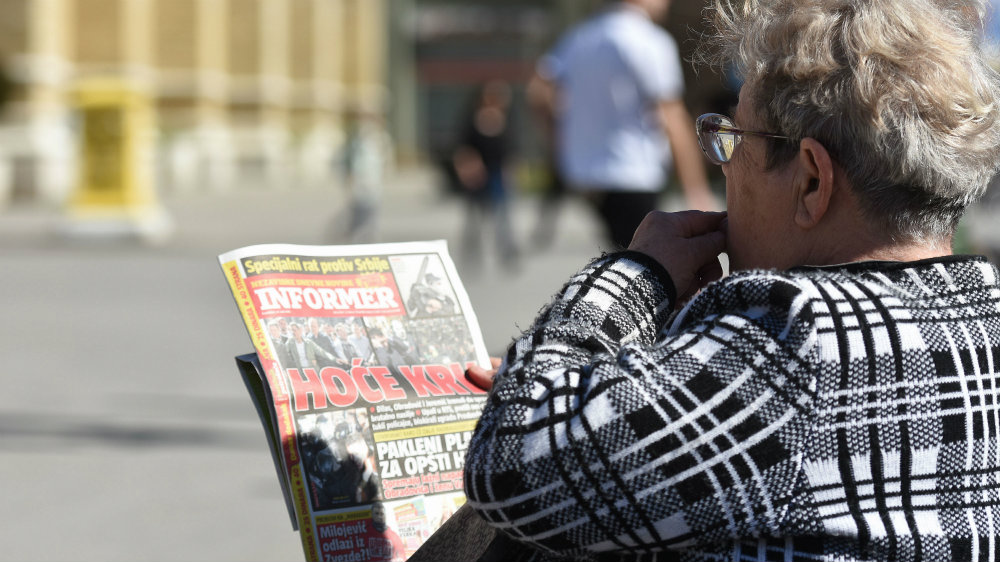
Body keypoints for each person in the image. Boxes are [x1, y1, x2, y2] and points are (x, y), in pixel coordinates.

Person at [459, 0, 1000, 560]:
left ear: (812, 181)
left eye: (735, 137)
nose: (723, 164)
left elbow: (510, 460)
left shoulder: (796, 337)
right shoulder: (981, 313)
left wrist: (638, 275)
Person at [529, 0, 716, 250]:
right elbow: (671, 116)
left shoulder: (580, 37)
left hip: (587, 175)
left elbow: (538, 92)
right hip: (633, 172)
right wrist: (696, 190)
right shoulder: (649, 40)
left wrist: (561, 143)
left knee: (622, 253)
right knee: (645, 261)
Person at [452, 79, 520, 269]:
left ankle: (507, 253)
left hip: (497, 174)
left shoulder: (506, 118)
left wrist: (511, 171)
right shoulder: (473, 118)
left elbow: (512, 149)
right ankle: (471, 255)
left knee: (503, 217)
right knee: (474, 218)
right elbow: (462, 147)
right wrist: (467, 167)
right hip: (477, 175)